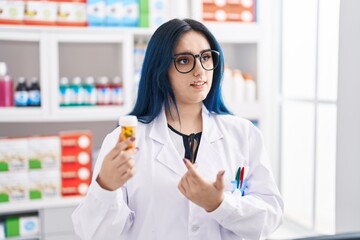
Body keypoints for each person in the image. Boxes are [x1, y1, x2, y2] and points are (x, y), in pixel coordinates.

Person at [72, 18, 283, 240]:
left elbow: (270, 216)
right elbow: (93, 234)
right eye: (184, 61)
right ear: (160, 70)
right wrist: (106, 187)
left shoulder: (243, 134)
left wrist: (220, 204)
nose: (200, 70)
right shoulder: (126, 140)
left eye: (206, 57)